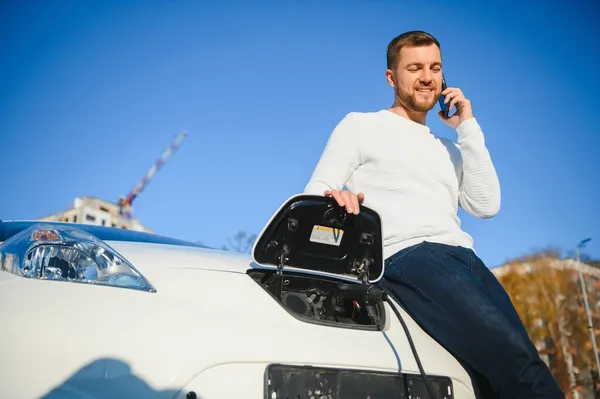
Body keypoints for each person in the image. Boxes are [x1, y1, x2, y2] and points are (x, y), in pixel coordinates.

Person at [303, 30, 564, 398]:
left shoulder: (449, 149)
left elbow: (486, 205)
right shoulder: (361, 126)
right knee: (516, 362)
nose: (427, 76)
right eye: (415, 68)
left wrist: (467, 127)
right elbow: (315, 194)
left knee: (496, 377)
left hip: (466, 260)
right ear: (392, 78)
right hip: (408, 256)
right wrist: (338, 199)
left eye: (435, 67)